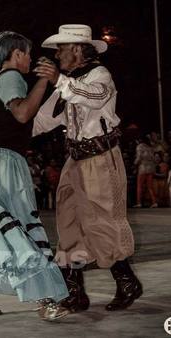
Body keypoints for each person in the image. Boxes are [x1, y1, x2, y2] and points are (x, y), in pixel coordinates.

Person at [34, 24, 142, 312]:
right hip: (75, 160)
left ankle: (127, 281)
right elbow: (43, 120)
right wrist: (0, 127)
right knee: (68, 223)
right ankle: (75, 292)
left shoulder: (100, 75)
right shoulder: (67, 82)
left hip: (100, 156)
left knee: (103, 221)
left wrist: (59, 80)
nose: (57, 54)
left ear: (78, 49)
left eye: (61, 48)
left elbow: (95, 96)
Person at [0, 31, 70, 320]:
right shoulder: (11, 76)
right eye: (28, 53)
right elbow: (23, 114)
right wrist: (45, 81)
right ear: (17, 53)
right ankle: (45, 301)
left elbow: (21, 122)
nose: (31, 58)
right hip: (1, 162)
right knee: (20, 230)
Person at [134, 137, 158, 208]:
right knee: (150, 186)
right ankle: (154, 202)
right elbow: (153, 158)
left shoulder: (140, 147)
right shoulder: (150, 147)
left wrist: (134, 163)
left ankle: (139, 203)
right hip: (151, 168)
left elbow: (139, 157)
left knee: (139, 186)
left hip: (143, 168)